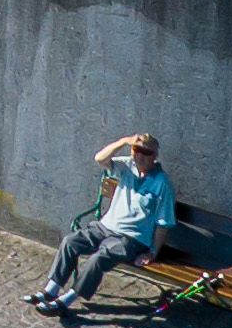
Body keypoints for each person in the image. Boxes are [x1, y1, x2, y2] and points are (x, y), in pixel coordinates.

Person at [35, 132, 177, 315]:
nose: (140, 156)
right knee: (70, 241)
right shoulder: (127, 166)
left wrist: (152, 252)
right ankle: (51, 290)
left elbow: (164, 223)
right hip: (105, 227)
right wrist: (124, 141)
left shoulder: (162, 183)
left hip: (132, 238)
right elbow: (100, 158)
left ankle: (68, 299)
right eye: (136, 150)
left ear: (155, 156)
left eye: (146, 152)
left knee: (100, 257)